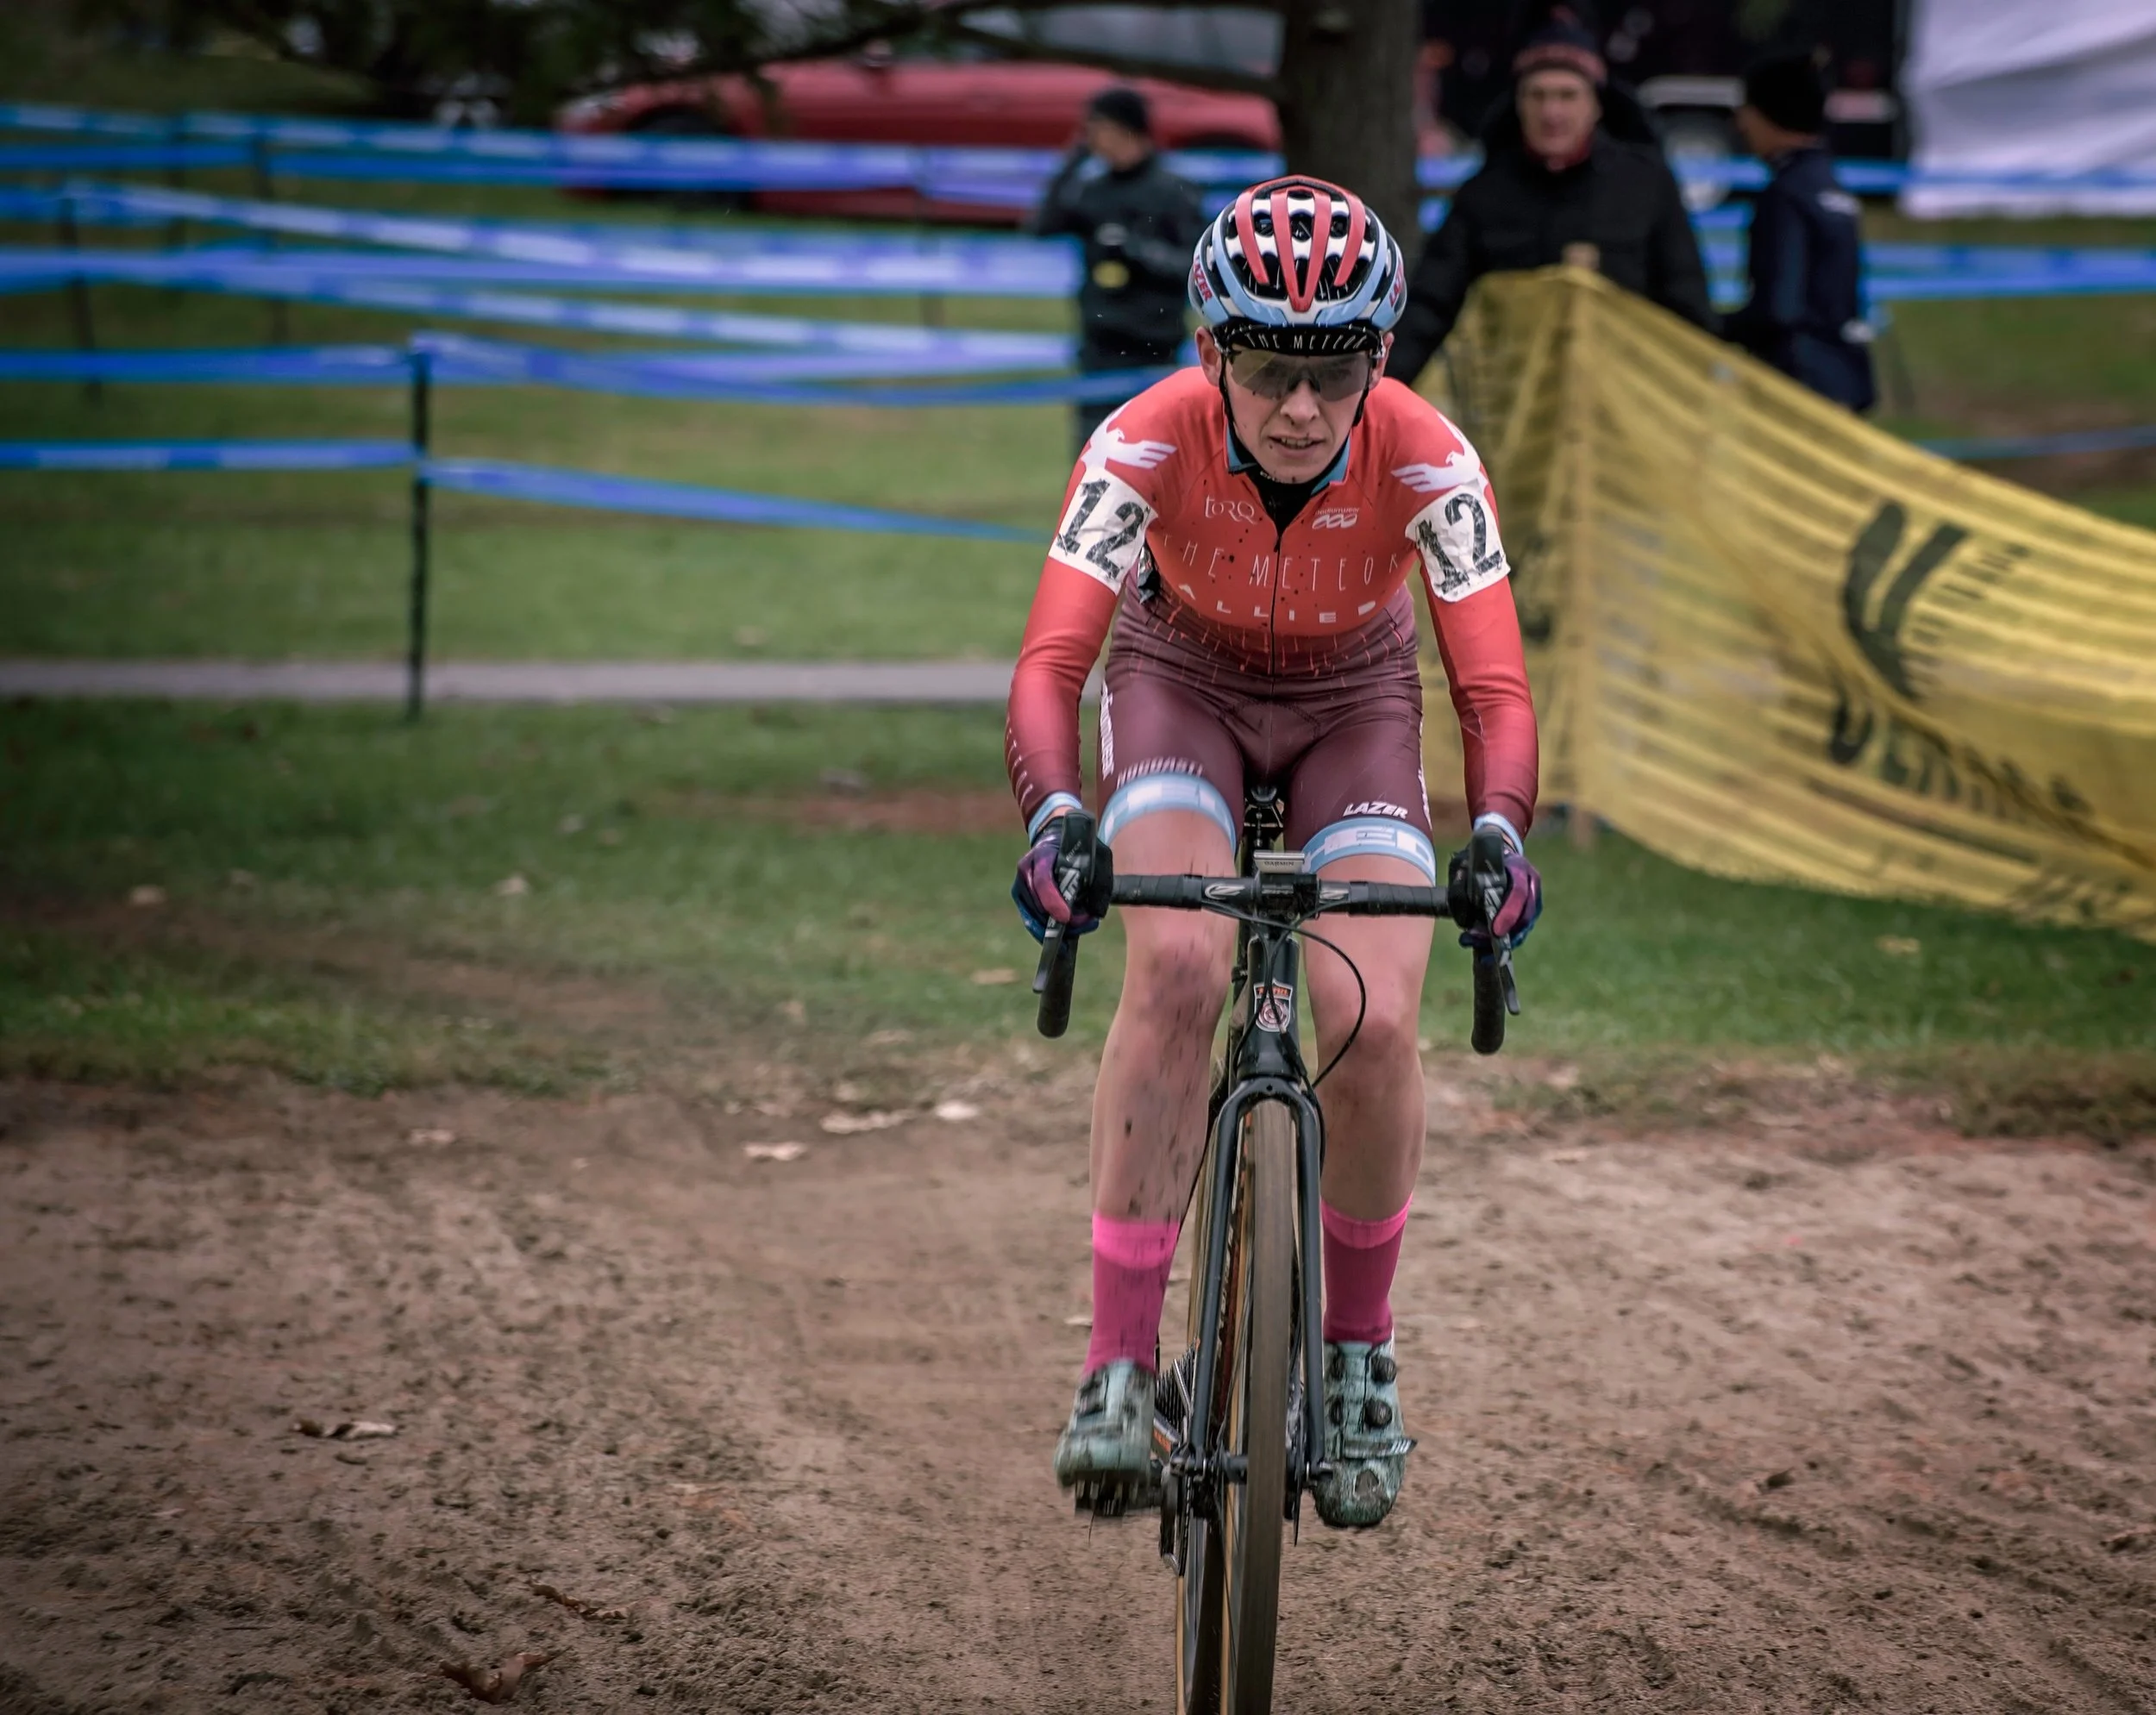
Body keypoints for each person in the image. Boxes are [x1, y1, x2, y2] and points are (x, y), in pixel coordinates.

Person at [1006, 178, 1543, 1529]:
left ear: (1379, 361)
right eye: (1265, 368)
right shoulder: (1140, 440)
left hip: (1354, 707)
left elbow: (1494, 691)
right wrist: (1056, 814)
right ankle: (1120, 1367)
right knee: (1181, 961)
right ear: (1210, 354)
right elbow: (1055, 658)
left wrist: (1497, 833)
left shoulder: (1428, 455)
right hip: (1178, 681)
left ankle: (1359, 1357)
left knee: (1370, 1012)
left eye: (1335, 370)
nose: (1301, 409)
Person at [1384, 5, 1714, 385]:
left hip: (1623, 402)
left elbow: (1688, 310)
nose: (1552, 112)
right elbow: (1430, 306)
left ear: (1595, 105)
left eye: (1567, 95)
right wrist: (1383, 390)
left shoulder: (1646, 185)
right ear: (1519, 104)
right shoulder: (1485, 193)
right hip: (1514, 404)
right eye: (1537, 95)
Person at [1027, 86, 1208, 451]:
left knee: (1154, 456)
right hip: (1099, 346)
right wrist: (1073, 160)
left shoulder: (1174, 191)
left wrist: (1136, 251)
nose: (1090, 137)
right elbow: (1041, 226)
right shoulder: (1095, 189)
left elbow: (1194, 271)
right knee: (1093, 457)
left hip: (1151, 349)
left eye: (1095, 128)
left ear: (1125, 129)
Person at [1723, 52, 1878, 413]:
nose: (1741, 124)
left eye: (1747, 110)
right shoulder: (1831, 186)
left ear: (1769, 113)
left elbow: (1780, 308)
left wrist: (1714, 324)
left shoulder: (1785, 194)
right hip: (1846, 376)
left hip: (1799, 386)